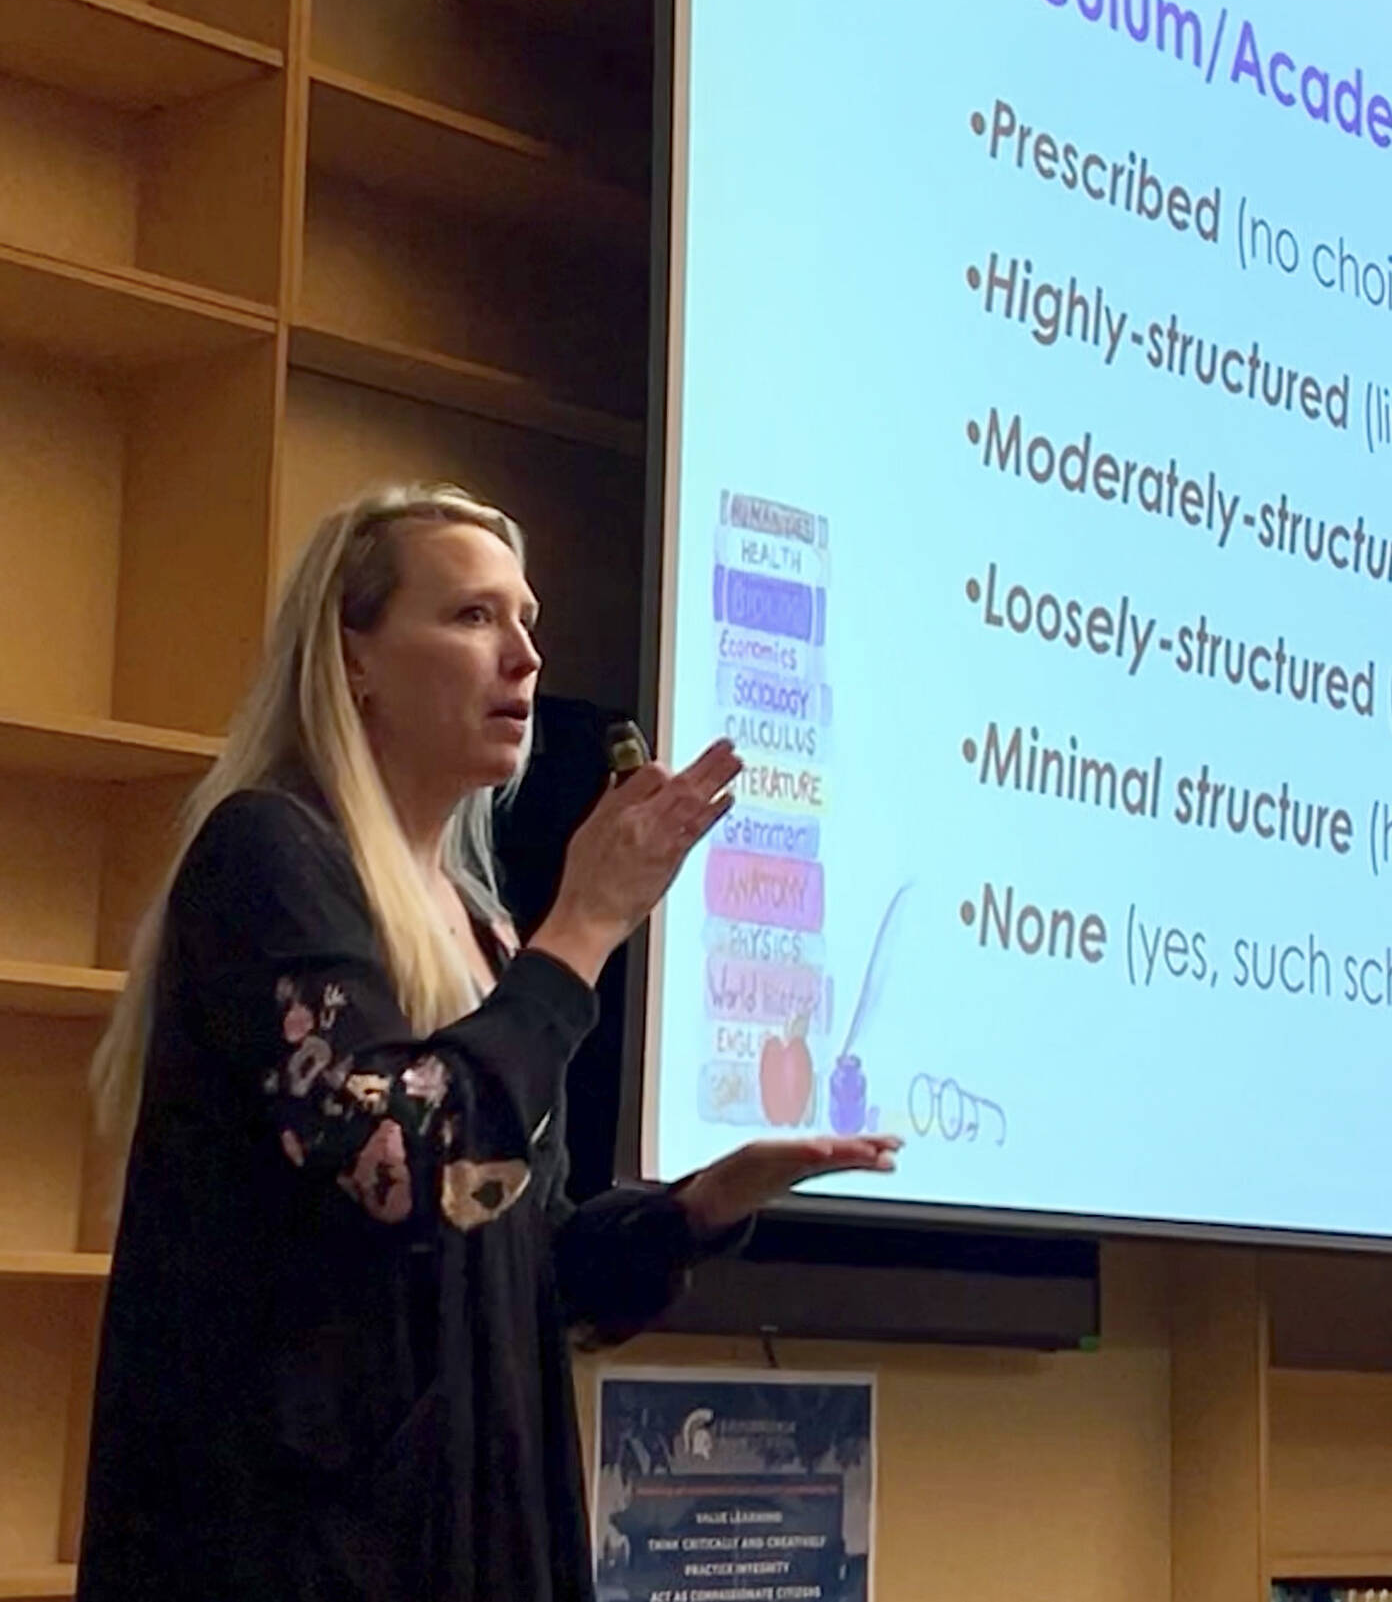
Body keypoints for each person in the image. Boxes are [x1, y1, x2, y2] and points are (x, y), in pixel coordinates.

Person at [75, 483, 899, 1601]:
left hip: (472, 1529)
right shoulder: (267, 854)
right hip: (293, 1545)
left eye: (527, 620)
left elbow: (516, 1266)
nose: (522, 655)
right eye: (471, 617)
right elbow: (397, 1162)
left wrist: (694, 1207)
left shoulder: (480, 923)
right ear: (352, 656)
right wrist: (587, 927)